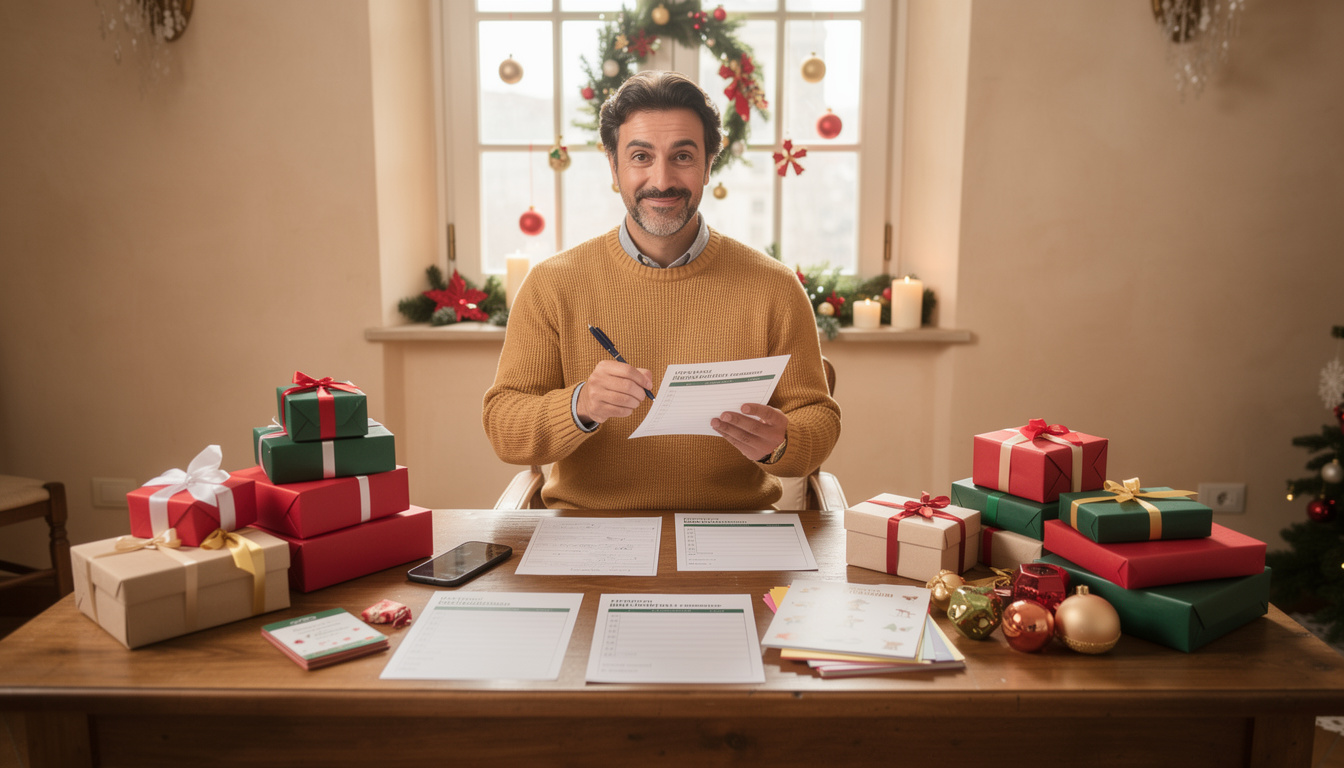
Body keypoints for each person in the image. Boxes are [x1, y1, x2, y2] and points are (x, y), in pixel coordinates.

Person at [482, 70, 841, 510]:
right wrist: (580, 405)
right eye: (641, 156)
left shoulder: (775, 287)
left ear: (709, 165)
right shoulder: (551, 285)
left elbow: (819, 418)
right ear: (613, 167)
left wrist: (783, 441)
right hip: (590, 528)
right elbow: (504, 427)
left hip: (734, 526)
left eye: (683, 156)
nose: (662, 179)